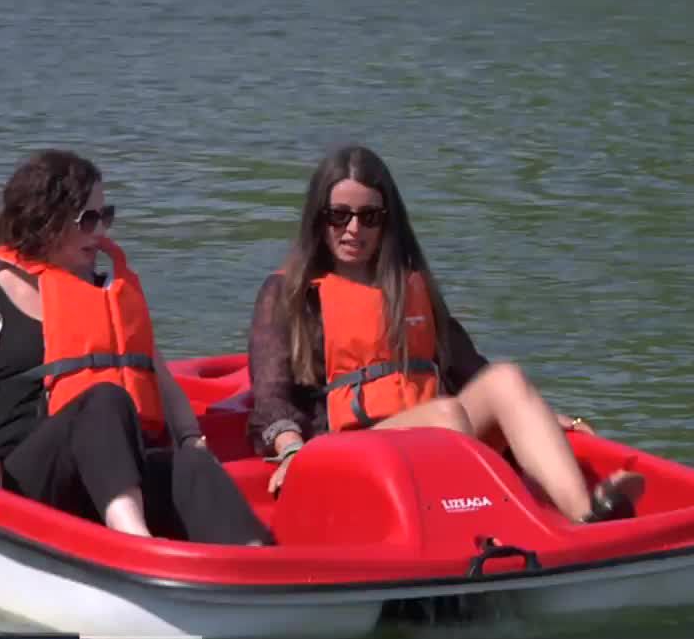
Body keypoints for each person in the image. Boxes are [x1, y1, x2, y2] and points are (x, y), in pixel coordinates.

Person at [246, 144, 644, 525]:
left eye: (369, 217)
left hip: (431, 438)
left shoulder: (408, 287)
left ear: (387, 221)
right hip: (343, 453)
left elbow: (471, 370)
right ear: (319, 217)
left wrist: (539, 414)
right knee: (447, 414)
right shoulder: (288, 294)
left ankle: (587, 516)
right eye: (339, 215)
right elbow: (270, 396)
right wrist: (291, 451)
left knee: (506, 378)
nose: (353, 229)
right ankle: (500, 524)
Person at [0, 149, 271, 545]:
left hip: (111, 472)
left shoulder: (107, 298)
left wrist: (191, 440)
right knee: (104, 400)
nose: (101, 232)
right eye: (88, 219)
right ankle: (134, 541)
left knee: (191, 465)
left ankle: (256, 562)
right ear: (45, 220)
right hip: (28, 485)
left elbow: (163, 383)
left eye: (106, 216)